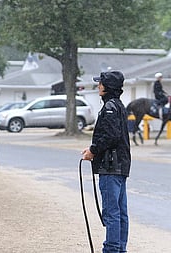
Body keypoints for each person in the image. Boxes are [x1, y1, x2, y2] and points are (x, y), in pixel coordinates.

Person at [82, 70, 131, 253]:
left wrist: (92, 151)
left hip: (111, 166)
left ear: (107, 87)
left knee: (111, 213)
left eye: (100, 83)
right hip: (120, 167)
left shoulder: (110, 107)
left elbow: (110, 136)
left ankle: (111, 249)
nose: (98, 86)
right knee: (120, 212)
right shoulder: (118, 105)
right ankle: (119, 249)